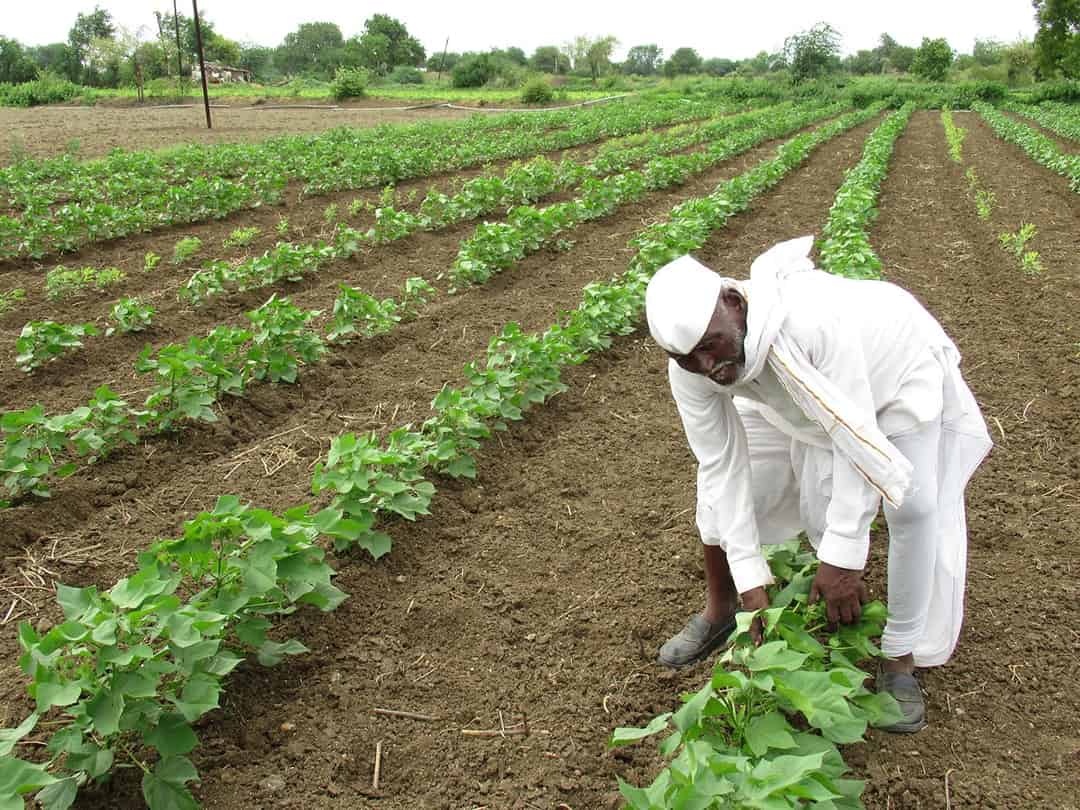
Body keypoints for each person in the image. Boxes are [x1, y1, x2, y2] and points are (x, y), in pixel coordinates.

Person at [644, 236, 991, 733]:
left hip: (890, 375)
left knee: (911, 507)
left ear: (734, 303)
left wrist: (842, 561)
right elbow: (720, 463)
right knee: (713, 499)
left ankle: (900, 657)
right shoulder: (701, 364)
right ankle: (722, 610)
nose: (704, 367)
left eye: (707, 347)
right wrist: (750, 582)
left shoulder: (810, 324)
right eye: (686, 358)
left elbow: (853, 437)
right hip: (774, 387)